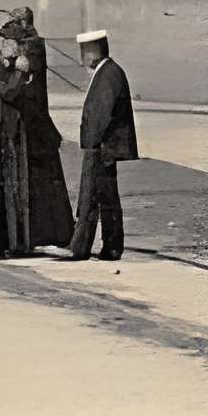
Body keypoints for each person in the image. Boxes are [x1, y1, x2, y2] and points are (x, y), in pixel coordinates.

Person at [0, 12, 68, 258]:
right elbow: (7, 93)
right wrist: (18, 71)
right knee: (11, 190)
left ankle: (21, 240)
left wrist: (20, 69)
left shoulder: (24, 56)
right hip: (6, 137)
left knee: (20, 189)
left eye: (9, 41)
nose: (5, 45)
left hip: (15, 136)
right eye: (5, 41)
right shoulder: (1, 64)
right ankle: (12, 241)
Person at [67, 28, 135, 261]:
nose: (81, 57)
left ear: (92, 52)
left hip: (102, 148)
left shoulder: (107, 74)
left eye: (83, 52)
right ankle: (105, 246)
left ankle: (111, 247)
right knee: (103, 197)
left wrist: (91, 144)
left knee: (104, 198)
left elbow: (100, 114)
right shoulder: (109, 71)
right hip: (103, 147)